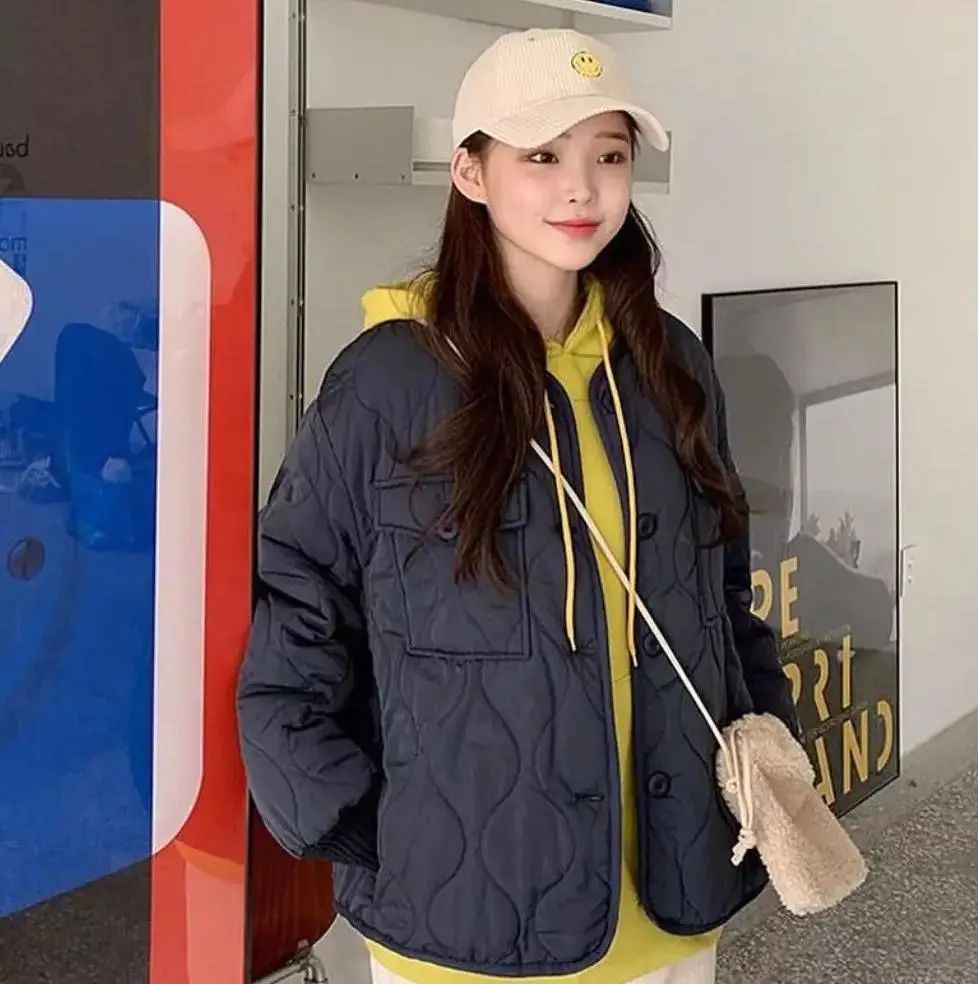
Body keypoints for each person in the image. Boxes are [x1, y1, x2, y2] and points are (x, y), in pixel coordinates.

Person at [238, 28, 799, 984]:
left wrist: (768, 729)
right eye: (541, 156)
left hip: (670, 890)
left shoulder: (669, 362)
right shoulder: (387, 381)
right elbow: (298, 601)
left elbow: (722, 591)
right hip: (462, 907)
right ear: (470, 172)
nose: (581, 189)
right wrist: (351, 818)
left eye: (608, 157)